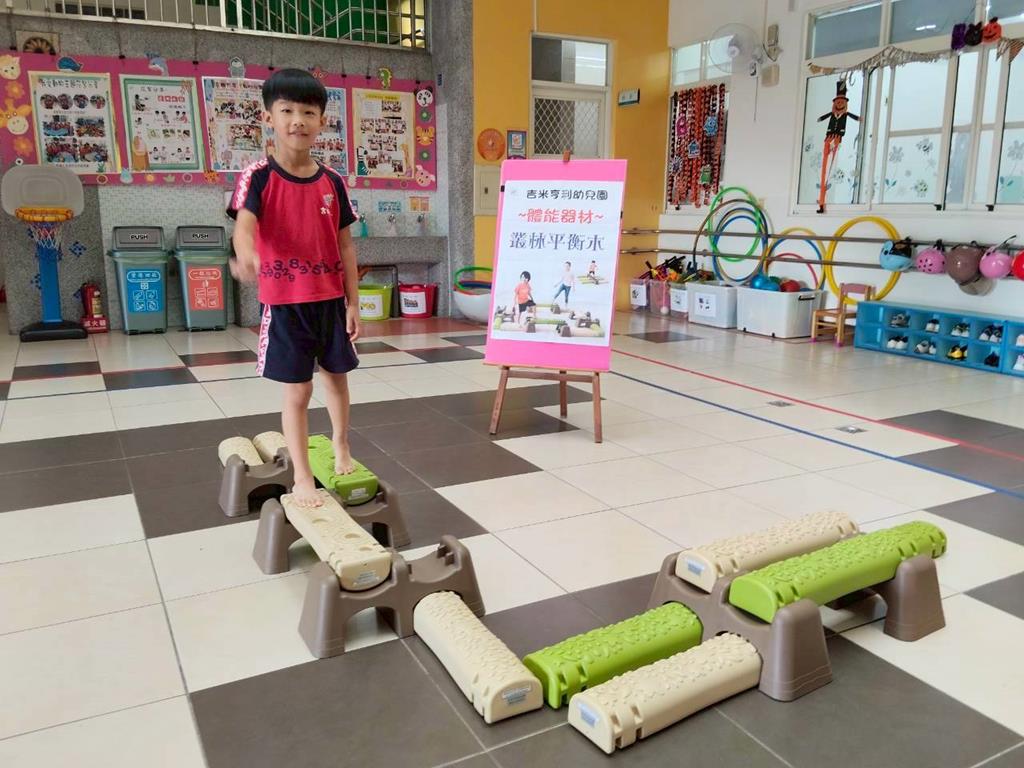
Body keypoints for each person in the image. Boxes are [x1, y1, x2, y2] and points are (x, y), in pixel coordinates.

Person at [228, 68, 360, 508]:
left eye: (308, 112)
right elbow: (245, 226)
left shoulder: (332, 181)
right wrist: (246, 253)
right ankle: (303, 476)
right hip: (286, 305)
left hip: (330, 300)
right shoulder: (258, 176)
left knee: (337, 380)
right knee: (298, 391)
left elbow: (345, 245)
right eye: (286, 111)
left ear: (322, 121)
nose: (297, 120)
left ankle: (341, 442)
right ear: (269, 118)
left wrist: (353, 302)